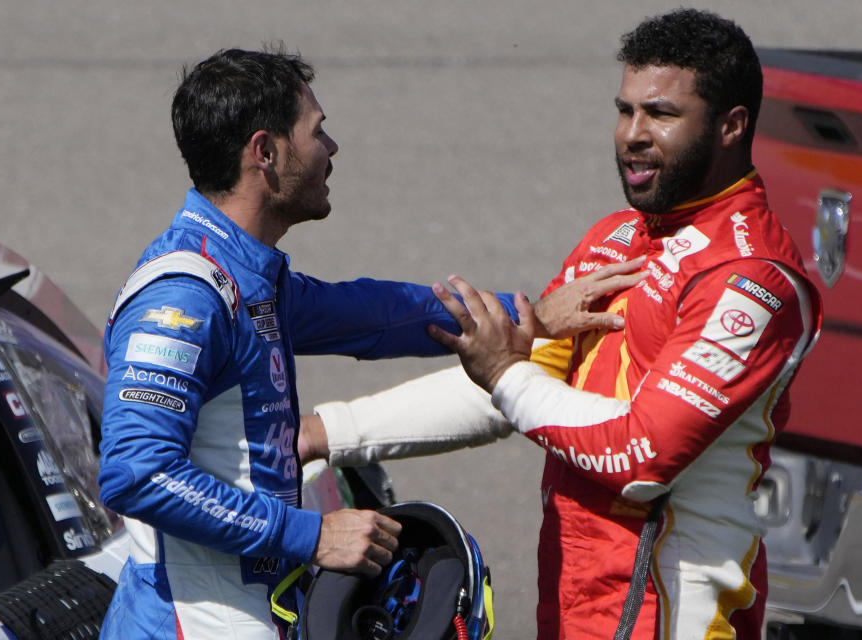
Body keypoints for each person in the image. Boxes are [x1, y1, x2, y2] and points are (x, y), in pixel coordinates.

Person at [305, 9, 822, 639]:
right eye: (625, 109)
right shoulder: (616, 240)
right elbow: (507, 393)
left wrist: (504, 371)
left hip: (670, 614)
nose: (631, 134)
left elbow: (644, 456)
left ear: (730, 126)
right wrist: (329, 432)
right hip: (578, 595)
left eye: (660, 114)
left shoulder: (752, 278)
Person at [96, 47, 540, 639]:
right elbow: (138, 474)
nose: (331, 149)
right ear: (266, 153)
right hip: (191, 623)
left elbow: (374, 315)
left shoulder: (243, 273)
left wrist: (533, 314)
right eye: (318, 131)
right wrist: (313, 534)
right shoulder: (184, 298)